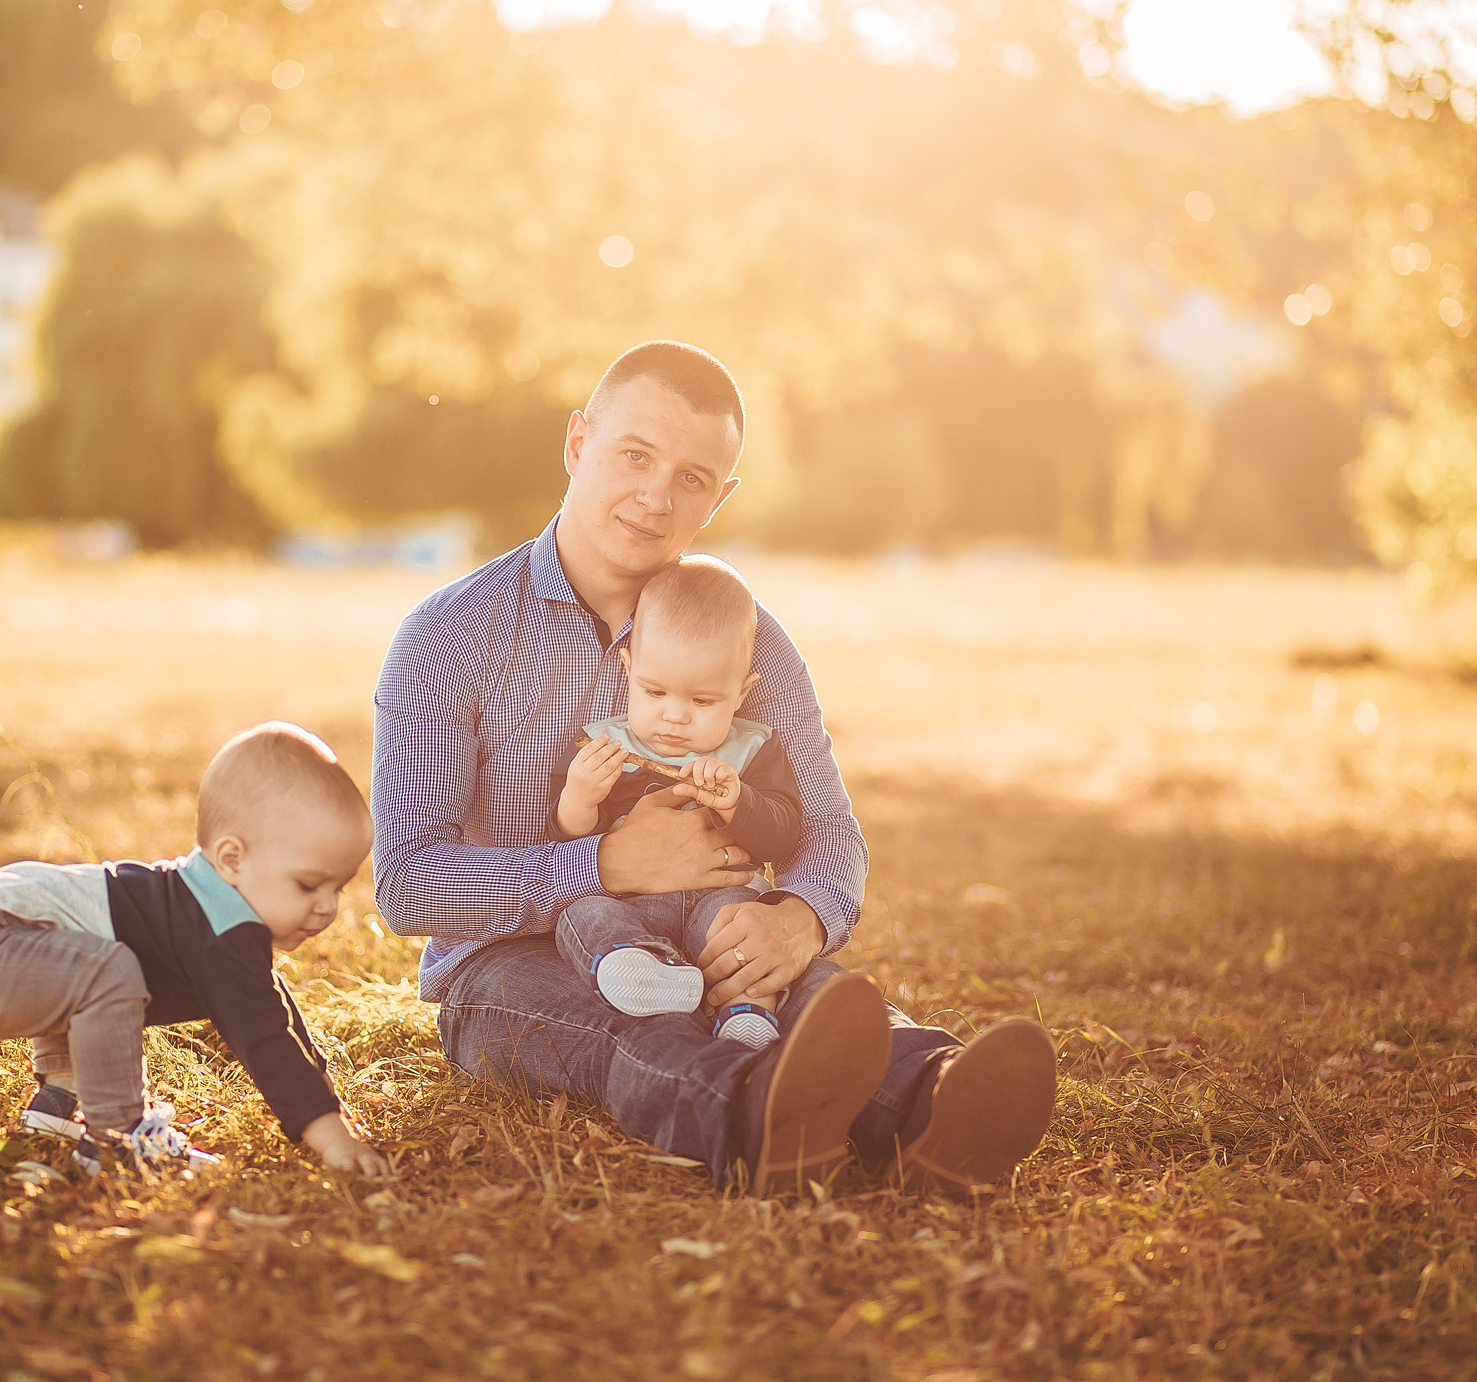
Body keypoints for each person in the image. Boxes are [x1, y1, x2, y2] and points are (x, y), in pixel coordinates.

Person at [373, 339, 1058, 1196]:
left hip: (700, 923)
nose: (656, 496)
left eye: (692, 478)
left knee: (801, 989)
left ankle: (936, 1100)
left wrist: (800, 917)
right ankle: (749, 1112)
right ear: (578, 444)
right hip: (508, 964)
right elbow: (407, 881)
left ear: (720, 496)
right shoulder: (448, 638)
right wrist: (602, 864)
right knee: (619, 1026)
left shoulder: (750, 640)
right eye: (634, 455)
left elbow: (831, 827)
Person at [0, 722, 390, 1177]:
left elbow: (271, 1003)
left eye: (339, 888)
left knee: (88, 967)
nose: (328, 908)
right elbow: (264, 1037)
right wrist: (330, 1136)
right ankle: (119, 1137)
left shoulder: (201, 909)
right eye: (309, 885)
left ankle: (58, 1105)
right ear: (232, 859)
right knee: (107, 971)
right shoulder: (220, 926)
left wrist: (323, 1095)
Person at [550, 554, 801, 1050]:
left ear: (740, 693)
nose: (673, 716)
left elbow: (786, 834)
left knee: (743, 927)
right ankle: (642, 971)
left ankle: (747, 1015)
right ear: (628, 672)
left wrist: (738, 802)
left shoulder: (752, 749)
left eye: (702, 701)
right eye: (654, 691)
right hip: (632, 905)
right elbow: (570, 841)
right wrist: (580, 795)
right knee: (581, 916)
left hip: (719, 899)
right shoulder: (604, 747)